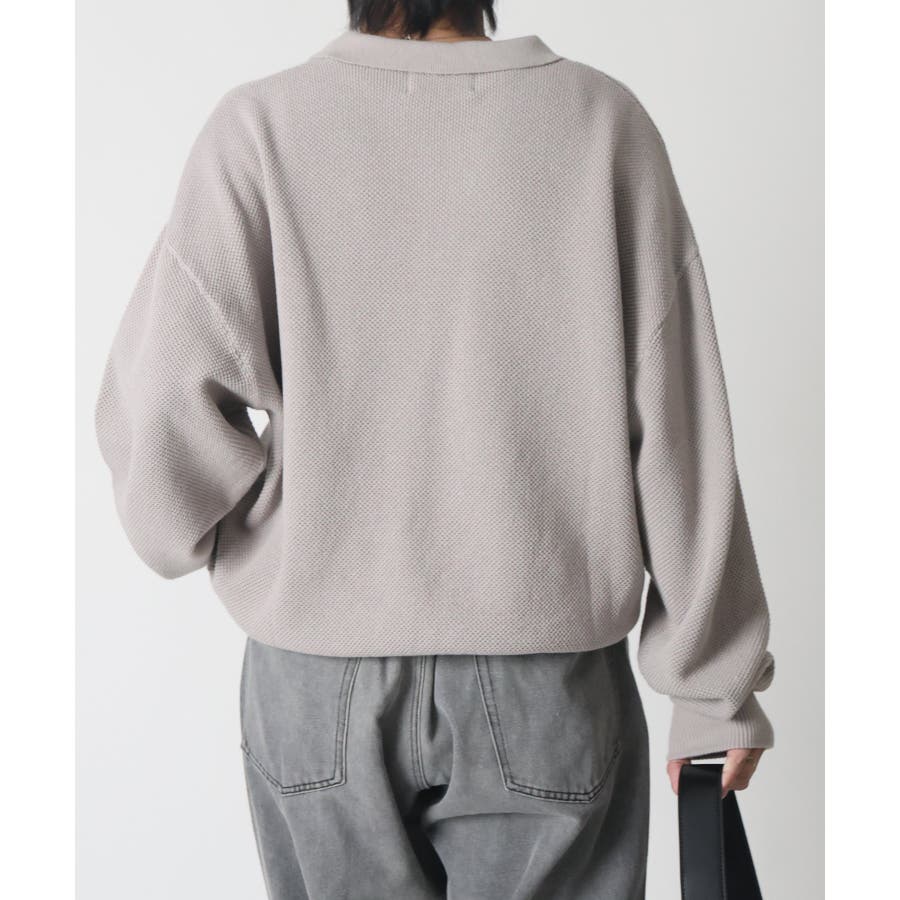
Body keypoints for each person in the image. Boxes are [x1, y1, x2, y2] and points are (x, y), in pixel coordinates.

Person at [94, 1, 775, 897]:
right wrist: (715, 687)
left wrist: (204, 526)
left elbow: (161, 403)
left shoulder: (260, 127)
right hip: (546, 681)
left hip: (318, 680)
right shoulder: (601, 124)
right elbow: (680, 421)